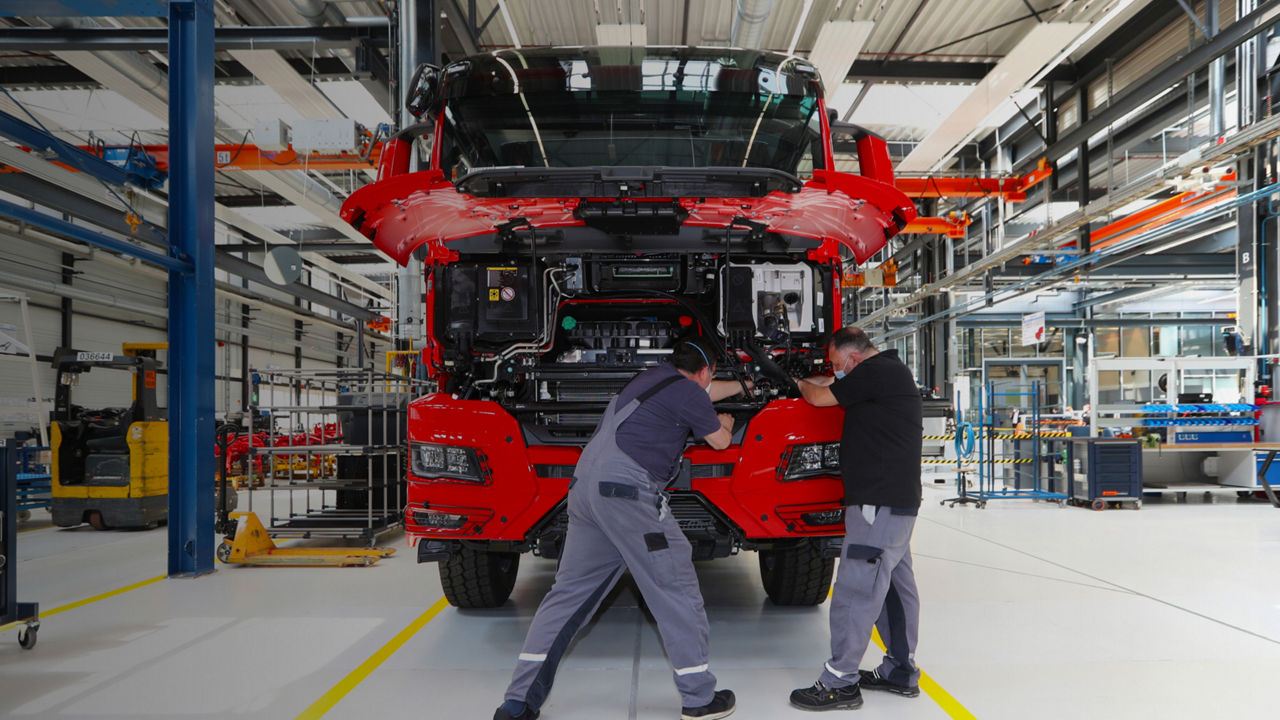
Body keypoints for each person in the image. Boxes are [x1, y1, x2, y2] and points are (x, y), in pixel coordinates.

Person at [495, 338, 749, 720]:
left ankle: (517, 702)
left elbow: (701, 392)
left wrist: (745, 385)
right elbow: (719, 440)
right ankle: (699, 698)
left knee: (566, 597)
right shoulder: (691, 393)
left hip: (585, 492)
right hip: (628, 495)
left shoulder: (649, 379)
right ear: (704, 372)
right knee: (674, 586)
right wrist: (726, 423)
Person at [788, 326, 924, 711]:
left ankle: (840, 681)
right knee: (896, 590)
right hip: (894, 504)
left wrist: (795, 379)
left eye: (837, 365)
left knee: (855, 590)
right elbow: (828, 383)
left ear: (853, 359)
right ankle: (900, 671)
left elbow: (817, 396)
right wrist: (812, 375)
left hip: (876, 506)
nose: (835, 371)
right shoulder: (885, 371)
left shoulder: (875, 372)